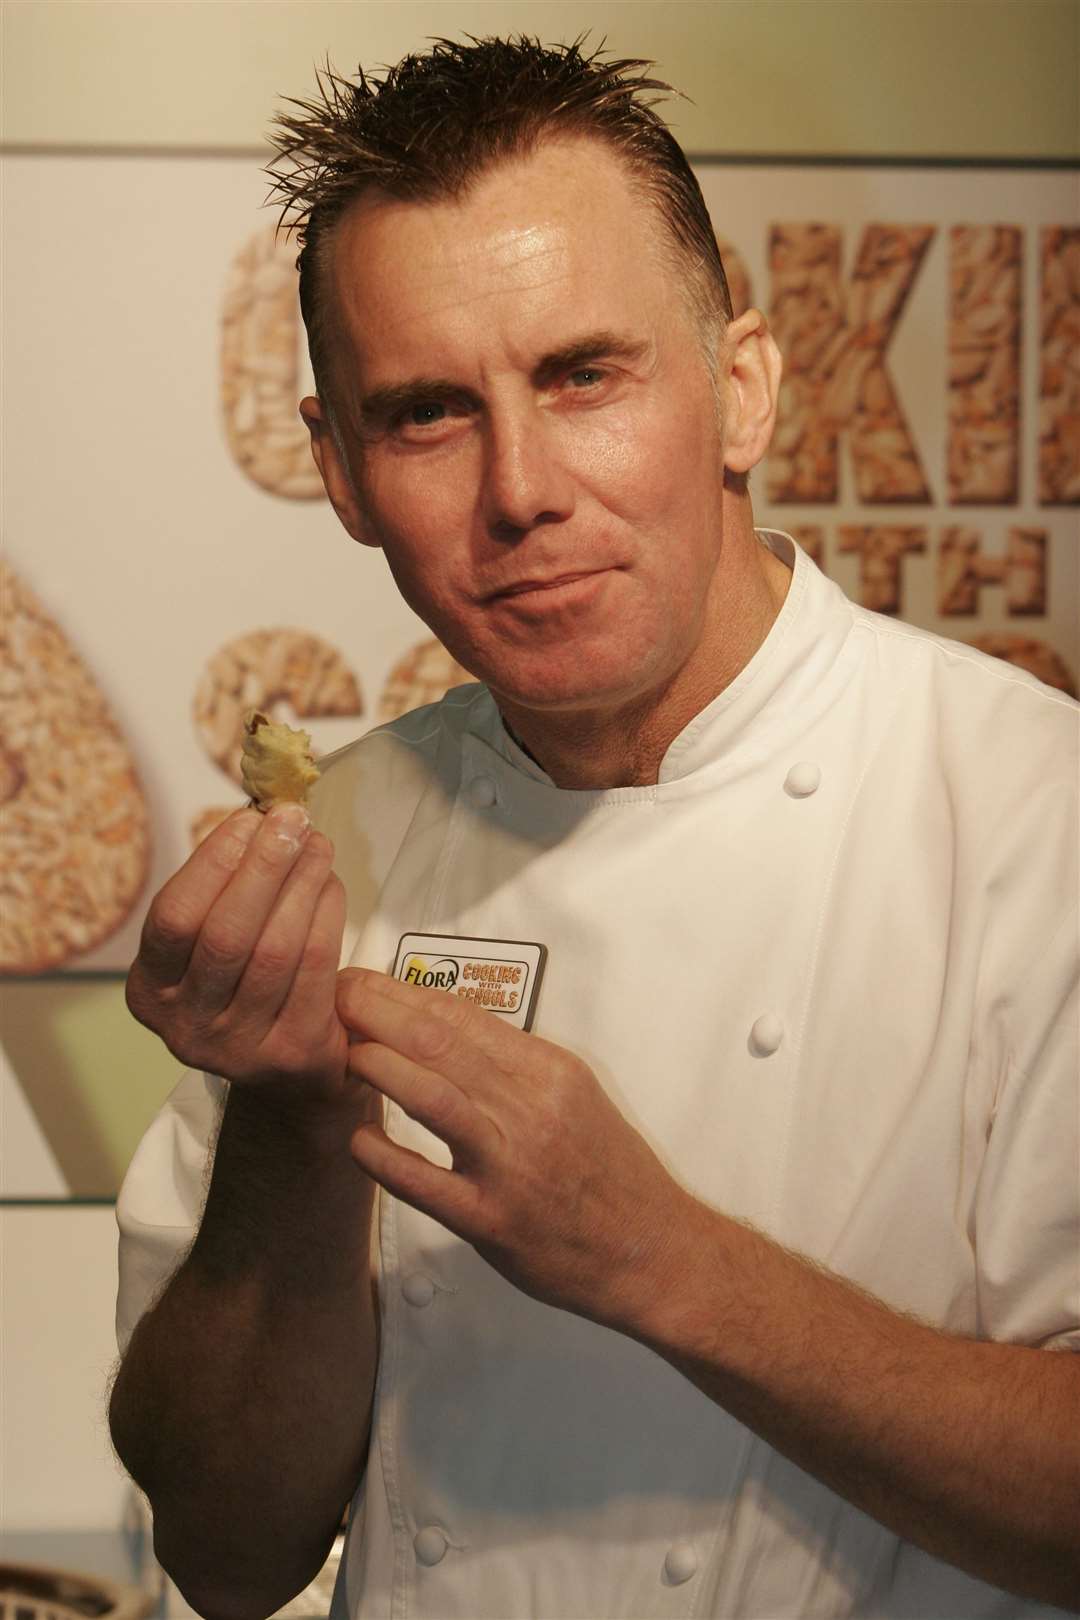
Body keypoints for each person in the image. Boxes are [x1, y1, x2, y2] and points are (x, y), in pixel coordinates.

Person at [108, 36, 1080, 1620]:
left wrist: (664, 1262)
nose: (521, 489)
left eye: (583, 375)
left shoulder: (1032, 815)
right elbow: (224, 1552)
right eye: (425, 413)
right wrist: (292, 1118)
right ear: (342, 471)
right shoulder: (333, 841)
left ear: (742, 387)